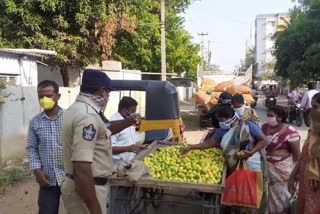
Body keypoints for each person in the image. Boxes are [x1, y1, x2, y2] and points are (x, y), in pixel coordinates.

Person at [61, 69, 140, 214]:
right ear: (102, 92)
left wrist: (128, 122)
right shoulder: (87, 117)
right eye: (108, 93)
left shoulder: (75, 109)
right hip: (88, 189)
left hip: (81, 186)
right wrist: (95, 210)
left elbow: (104, 129)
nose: (108, 97)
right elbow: (81, 169)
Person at [182, 105, 269, 212]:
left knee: (252, 193)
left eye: (221, 120)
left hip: (251, 165)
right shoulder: (223, 130)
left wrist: (251, 152)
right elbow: (210, 143)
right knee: (236, 194)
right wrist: (191, 147)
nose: (220, 123)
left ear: (229, 117)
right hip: (232, 166)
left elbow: (264, 140)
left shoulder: (248, 125)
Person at [27, 80, 64, 214]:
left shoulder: (70, 118)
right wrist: (37, 170)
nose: (44, 100)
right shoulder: (35, 122)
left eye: (48, 96)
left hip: (71, 178)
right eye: (40, 97)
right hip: (48, 179)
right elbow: (32, 147)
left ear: (58, 96)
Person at [261, 105, 301, 214]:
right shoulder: (265, 127)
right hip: (266, 168)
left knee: (284, 196)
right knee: (269, 196)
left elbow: (297, 155)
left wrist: (297, 173)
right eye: (268, 115)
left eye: (271, 116)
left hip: (282, 170)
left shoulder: (290, 133)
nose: (269, 118)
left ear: (280, 117)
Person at [289, 92, 320, 214]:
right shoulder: (312, 133)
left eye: (316, 107)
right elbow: (304, 157)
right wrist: (293, 175)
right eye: (312, 107)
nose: (312, 111)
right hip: (306, 187)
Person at [111, 96, 147, 168]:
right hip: (117, 168)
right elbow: (110, 148)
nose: (134, 113)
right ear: (124, 110)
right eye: (133, 111)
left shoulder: (129, 121)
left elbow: (129, 142)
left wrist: (137, 147)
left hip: (129, 164)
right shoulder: (113, 124)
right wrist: (128, 149)